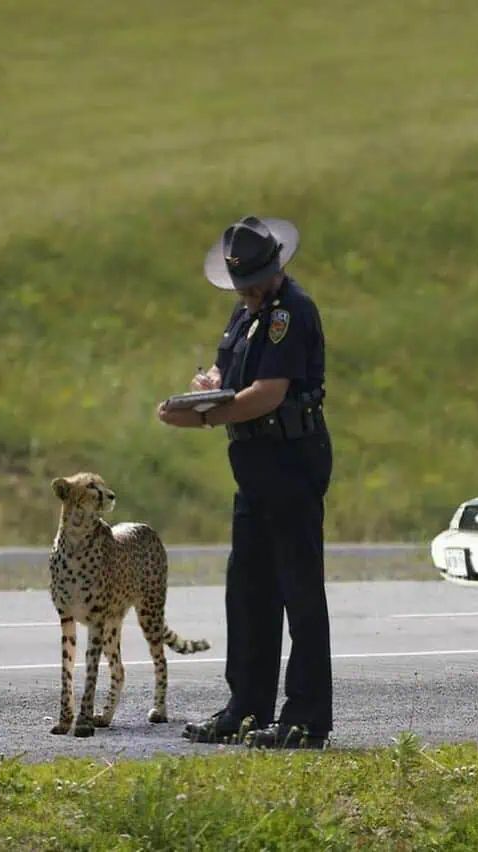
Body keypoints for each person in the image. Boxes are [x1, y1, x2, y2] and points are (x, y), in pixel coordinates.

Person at [157, 215, 333, 749]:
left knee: (297, 589)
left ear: (276, 267)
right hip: (254, 463)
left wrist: (206, 417)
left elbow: (269, 392)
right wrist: (208, 386)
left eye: (256, 280)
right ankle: (247, 707)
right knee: (248, 588)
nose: (250, 291)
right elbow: (228, 375)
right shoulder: (245, 312)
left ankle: (306, 717)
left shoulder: (289, 313)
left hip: (291, 458)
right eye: (243, 284)